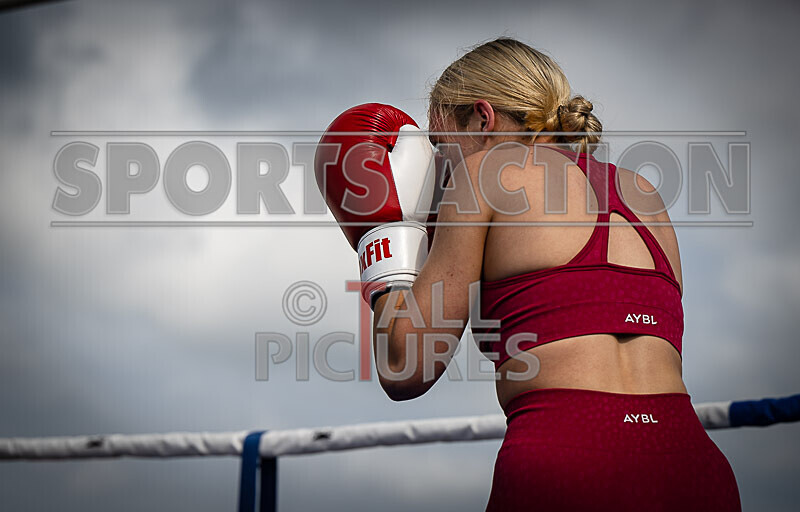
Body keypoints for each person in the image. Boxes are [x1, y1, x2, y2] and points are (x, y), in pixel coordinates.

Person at [367, 38, 741, 510]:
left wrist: (383, 244)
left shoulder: (483, 174)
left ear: (482, 119)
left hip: (568, 456)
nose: (438, 169)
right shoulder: (643, 192)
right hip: (692, 466)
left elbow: (407, 366)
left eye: (440, 147)